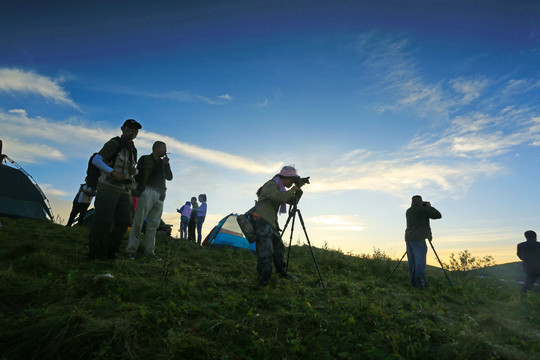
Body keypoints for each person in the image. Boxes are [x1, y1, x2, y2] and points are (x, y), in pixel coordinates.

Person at [88, 119, 141, 260]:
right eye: (130, 128)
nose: (133, 131)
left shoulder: (133, 149)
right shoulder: (114, 143)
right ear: (122, 128)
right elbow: (96, 160)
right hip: (108, 188)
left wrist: (134, 171)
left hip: (125, 191)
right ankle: (96, 254)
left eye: (136, 130)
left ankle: (111, 252)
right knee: (103, 221)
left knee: (124, 221)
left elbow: (133, 172)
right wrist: (112, 172)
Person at [250, 165, 305, 286]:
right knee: (266, 250)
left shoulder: (281, 188)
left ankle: (281, 272)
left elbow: (291, 201)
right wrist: (292, 190)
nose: (291, 182)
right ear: (284, 177)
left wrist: (298, 189)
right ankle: (263, 280)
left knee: (279, 248)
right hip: (261, 220)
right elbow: (279, 198)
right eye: (291, 179)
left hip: (271, 223)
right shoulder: (271, 185)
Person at [126, 141, 173, 261]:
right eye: (163, 147)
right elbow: (138, 175)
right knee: (138, 221)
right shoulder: (145, 159)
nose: (165, 150)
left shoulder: (163, 163)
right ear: (156, 148)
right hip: (147, 191)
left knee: (153, 225)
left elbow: (169, 177)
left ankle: (149, 252)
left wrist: (167, 164)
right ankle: (131, 250)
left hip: (160, 194)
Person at [404, 195, 442, 289]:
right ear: (420, 202)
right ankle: (421, 284)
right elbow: (438, 215)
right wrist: (429, 207)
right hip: (419, 240)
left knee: (412, 263)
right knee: (420, 263)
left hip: (409, 239)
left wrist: (424, 207)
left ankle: (413, 284)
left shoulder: (409, 211)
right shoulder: (422, 210)